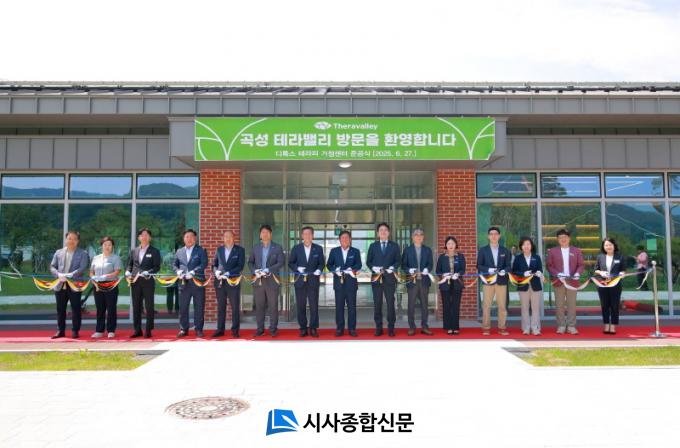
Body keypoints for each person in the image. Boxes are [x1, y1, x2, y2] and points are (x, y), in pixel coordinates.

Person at [49, 231, 90, 339]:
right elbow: (52, 267)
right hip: (60, 284)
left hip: (74, 285)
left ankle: (75, 330)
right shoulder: (58, 252)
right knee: (60, 309)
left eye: (74, 239)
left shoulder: (83, 253)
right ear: (66, 239)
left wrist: (71, 274)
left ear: (78, 241)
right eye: (69, 238)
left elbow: (83, 267)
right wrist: (58, 274)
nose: (72, 241)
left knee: (76, 308)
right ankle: (60, 331)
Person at [288, 226, 325, 337]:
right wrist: (297, 268)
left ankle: (313, 328)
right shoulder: (296, 248)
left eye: (309, 234)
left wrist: (319, 270)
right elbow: (290, 263)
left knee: (314, 306)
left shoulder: (318, 248)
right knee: (301, 306)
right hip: (300, 281)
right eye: (305, 234)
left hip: (313, 281)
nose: (307, 236)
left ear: (312, 235)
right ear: (302, 236)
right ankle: (303, 328)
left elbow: (321, 263)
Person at [247, 224, 285, 337]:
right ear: (260, 235)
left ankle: (273, 329)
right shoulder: (255, 248)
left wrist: (269, 269)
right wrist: (255, 271)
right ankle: (260, 329)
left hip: (272, 280)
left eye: (267, 232)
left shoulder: (277, 247)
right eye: (263, 232)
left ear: (271, 234)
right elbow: (250, 262)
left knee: (273, 306)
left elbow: (281, 262)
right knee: (259, 306)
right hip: (258, 280)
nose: (265, 234)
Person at [546, 228, 585, 335]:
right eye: (560, 237)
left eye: (565, 237)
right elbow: (549, 266)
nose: (563, 239)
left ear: (569, 238)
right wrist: (557, 274)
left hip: (572, 281)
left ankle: (571, 326)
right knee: (559, 304)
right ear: (557, 239)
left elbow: (581, 265)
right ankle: (561, 325)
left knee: (572, 304)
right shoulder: (552, 251)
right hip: (559, 281)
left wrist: (577, 273)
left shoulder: (576, 251)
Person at [366, 222, 401, 337]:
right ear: (378, 233)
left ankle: (391, 327)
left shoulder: (394, 246)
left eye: (385, 230)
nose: (383, 232)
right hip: (377, 278)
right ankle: (378, 327)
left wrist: (393, 268)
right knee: (377, 303)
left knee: (390, 303)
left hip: (390, 278)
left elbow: (398, 261)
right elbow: (368, 261)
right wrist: (373, 268)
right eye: (381, 230)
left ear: (389, 232)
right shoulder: (373, 246)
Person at [126, 228, 161, 338]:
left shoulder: (154, 251)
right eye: (142, 235)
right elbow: (130, 264)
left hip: (148, 282)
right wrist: (127, 271)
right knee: (136, 306)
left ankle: (148, 329)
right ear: (139, 237)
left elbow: (157, 267)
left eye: (146, 235)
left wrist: (148, 272)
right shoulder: (134, 251)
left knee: (149, 306)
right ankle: (137, 330)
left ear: (150, 238)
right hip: (135, 282)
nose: (144, 237)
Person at [477, 226, 512, 336]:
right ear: (488, 236)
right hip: (488, 281)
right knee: (486, 306)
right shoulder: (483, 250)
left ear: (499, 236)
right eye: (491, 234)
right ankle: (486, 327)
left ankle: (502, 327)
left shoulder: (505, 250)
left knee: (502, 306)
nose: (493, 236)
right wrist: (488, 270)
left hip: (501, 281)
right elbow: (479, 265)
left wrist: (504, 271)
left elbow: (509, 266)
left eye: (496, 234)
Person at [326, 230, 362, 337]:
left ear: (350, 239)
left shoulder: (355, 251)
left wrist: (352, 269)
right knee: (339, 307)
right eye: (343, 238)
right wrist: (335, 270)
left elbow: (359, 264)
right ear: (339, 240)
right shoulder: (334, 251)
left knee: (352, 307)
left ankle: (352, 329)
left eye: (347, 237)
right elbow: (329, 265)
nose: (345, 239)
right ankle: (339, 329)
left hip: (351, 283)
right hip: (339, 283)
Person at [173, 229, 208, 338]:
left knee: (199, 307)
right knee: (183, 307)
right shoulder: (179, 251)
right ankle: (183, 329)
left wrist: (193, 272)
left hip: (197, 282)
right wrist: (177, 271)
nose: (189, 239)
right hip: (183, 283)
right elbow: (174, 264)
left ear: (195, 238)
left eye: (191, 236)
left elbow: (204, 263)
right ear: (184, 239)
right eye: (187, 237)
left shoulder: (201, 250)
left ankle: (199, 329)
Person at [211, 230, 245, 338]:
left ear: (233, 238)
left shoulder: (240, 250)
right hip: (220, 282)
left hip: (233, 281)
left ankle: (235, 330)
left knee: (235, 307)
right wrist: (216, 271)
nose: (228, 238)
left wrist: (229, 273)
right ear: (223, 238)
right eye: (226, 236)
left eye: (230, 236)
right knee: (221, 307)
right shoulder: (219, 250)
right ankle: (220, 329)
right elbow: (214, 264)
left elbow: (240, 266)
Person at [401, 228, 433, 336]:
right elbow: (403, 265)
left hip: (424, 281)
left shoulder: (427, 250)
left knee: (424, 305)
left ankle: (424, 326)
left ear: (423, 237)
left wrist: (427, 269)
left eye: (420, 234)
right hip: (412, 281)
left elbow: (430, 264)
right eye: (416, 235)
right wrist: (408, 270)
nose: (418, 236)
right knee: (411, 305)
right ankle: (412, 327)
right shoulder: (407, 250)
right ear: (412, 237)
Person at [90, 236, 122, 339]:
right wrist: (93, 278)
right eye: (105, 245)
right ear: (101, 246)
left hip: (111, 285)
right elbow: (91, 272)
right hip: (98, 285)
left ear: (112, 246)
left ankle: (111, 330)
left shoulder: (115, 258)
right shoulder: (96, 258)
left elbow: (117, 271)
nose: (107, 247)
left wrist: (107, 276)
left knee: (111, 308)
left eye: (109, 245)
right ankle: (99, 330)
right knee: (100, 308)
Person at [511, 236, 544, 336]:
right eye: (524, 244)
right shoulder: (518, 258)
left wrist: (539, 272)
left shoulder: (536, 257)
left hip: (535, 285)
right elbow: (514, 271)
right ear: (521, 246)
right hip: (523, 285)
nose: (526, 246)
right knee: (524, 308)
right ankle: (526, 328)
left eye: (528, 244)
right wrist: (523, 274)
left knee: (535, 308)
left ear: (531, 246)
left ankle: (535, 328)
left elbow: (540, 269)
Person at [594, 237, 626, 335]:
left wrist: (622, 273)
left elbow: (623, 269)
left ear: (614, 245)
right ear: (603, 247)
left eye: (610, 245)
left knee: (614, 305)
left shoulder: (620, 257)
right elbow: (596, 269)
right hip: (603, 284)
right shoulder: (600, 257)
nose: (608, 247)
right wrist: (601, 272)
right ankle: (606, 324)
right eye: (606, 245)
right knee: (604, 305)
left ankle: (613, 326)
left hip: (615, 284)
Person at [436, 236, 466, 335]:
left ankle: (455, 327)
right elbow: (438, 271)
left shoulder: (460, 256)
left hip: (457, 283)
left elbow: (463, 270)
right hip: (445, 283)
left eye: (452, 243)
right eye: (448, 243)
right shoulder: (442, 257)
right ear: (446, 245)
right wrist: (444, 275)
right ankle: (448, 327)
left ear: (456, 245)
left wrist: (458, 274)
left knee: (455, 305)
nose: (451, 245)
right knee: (447, 305)